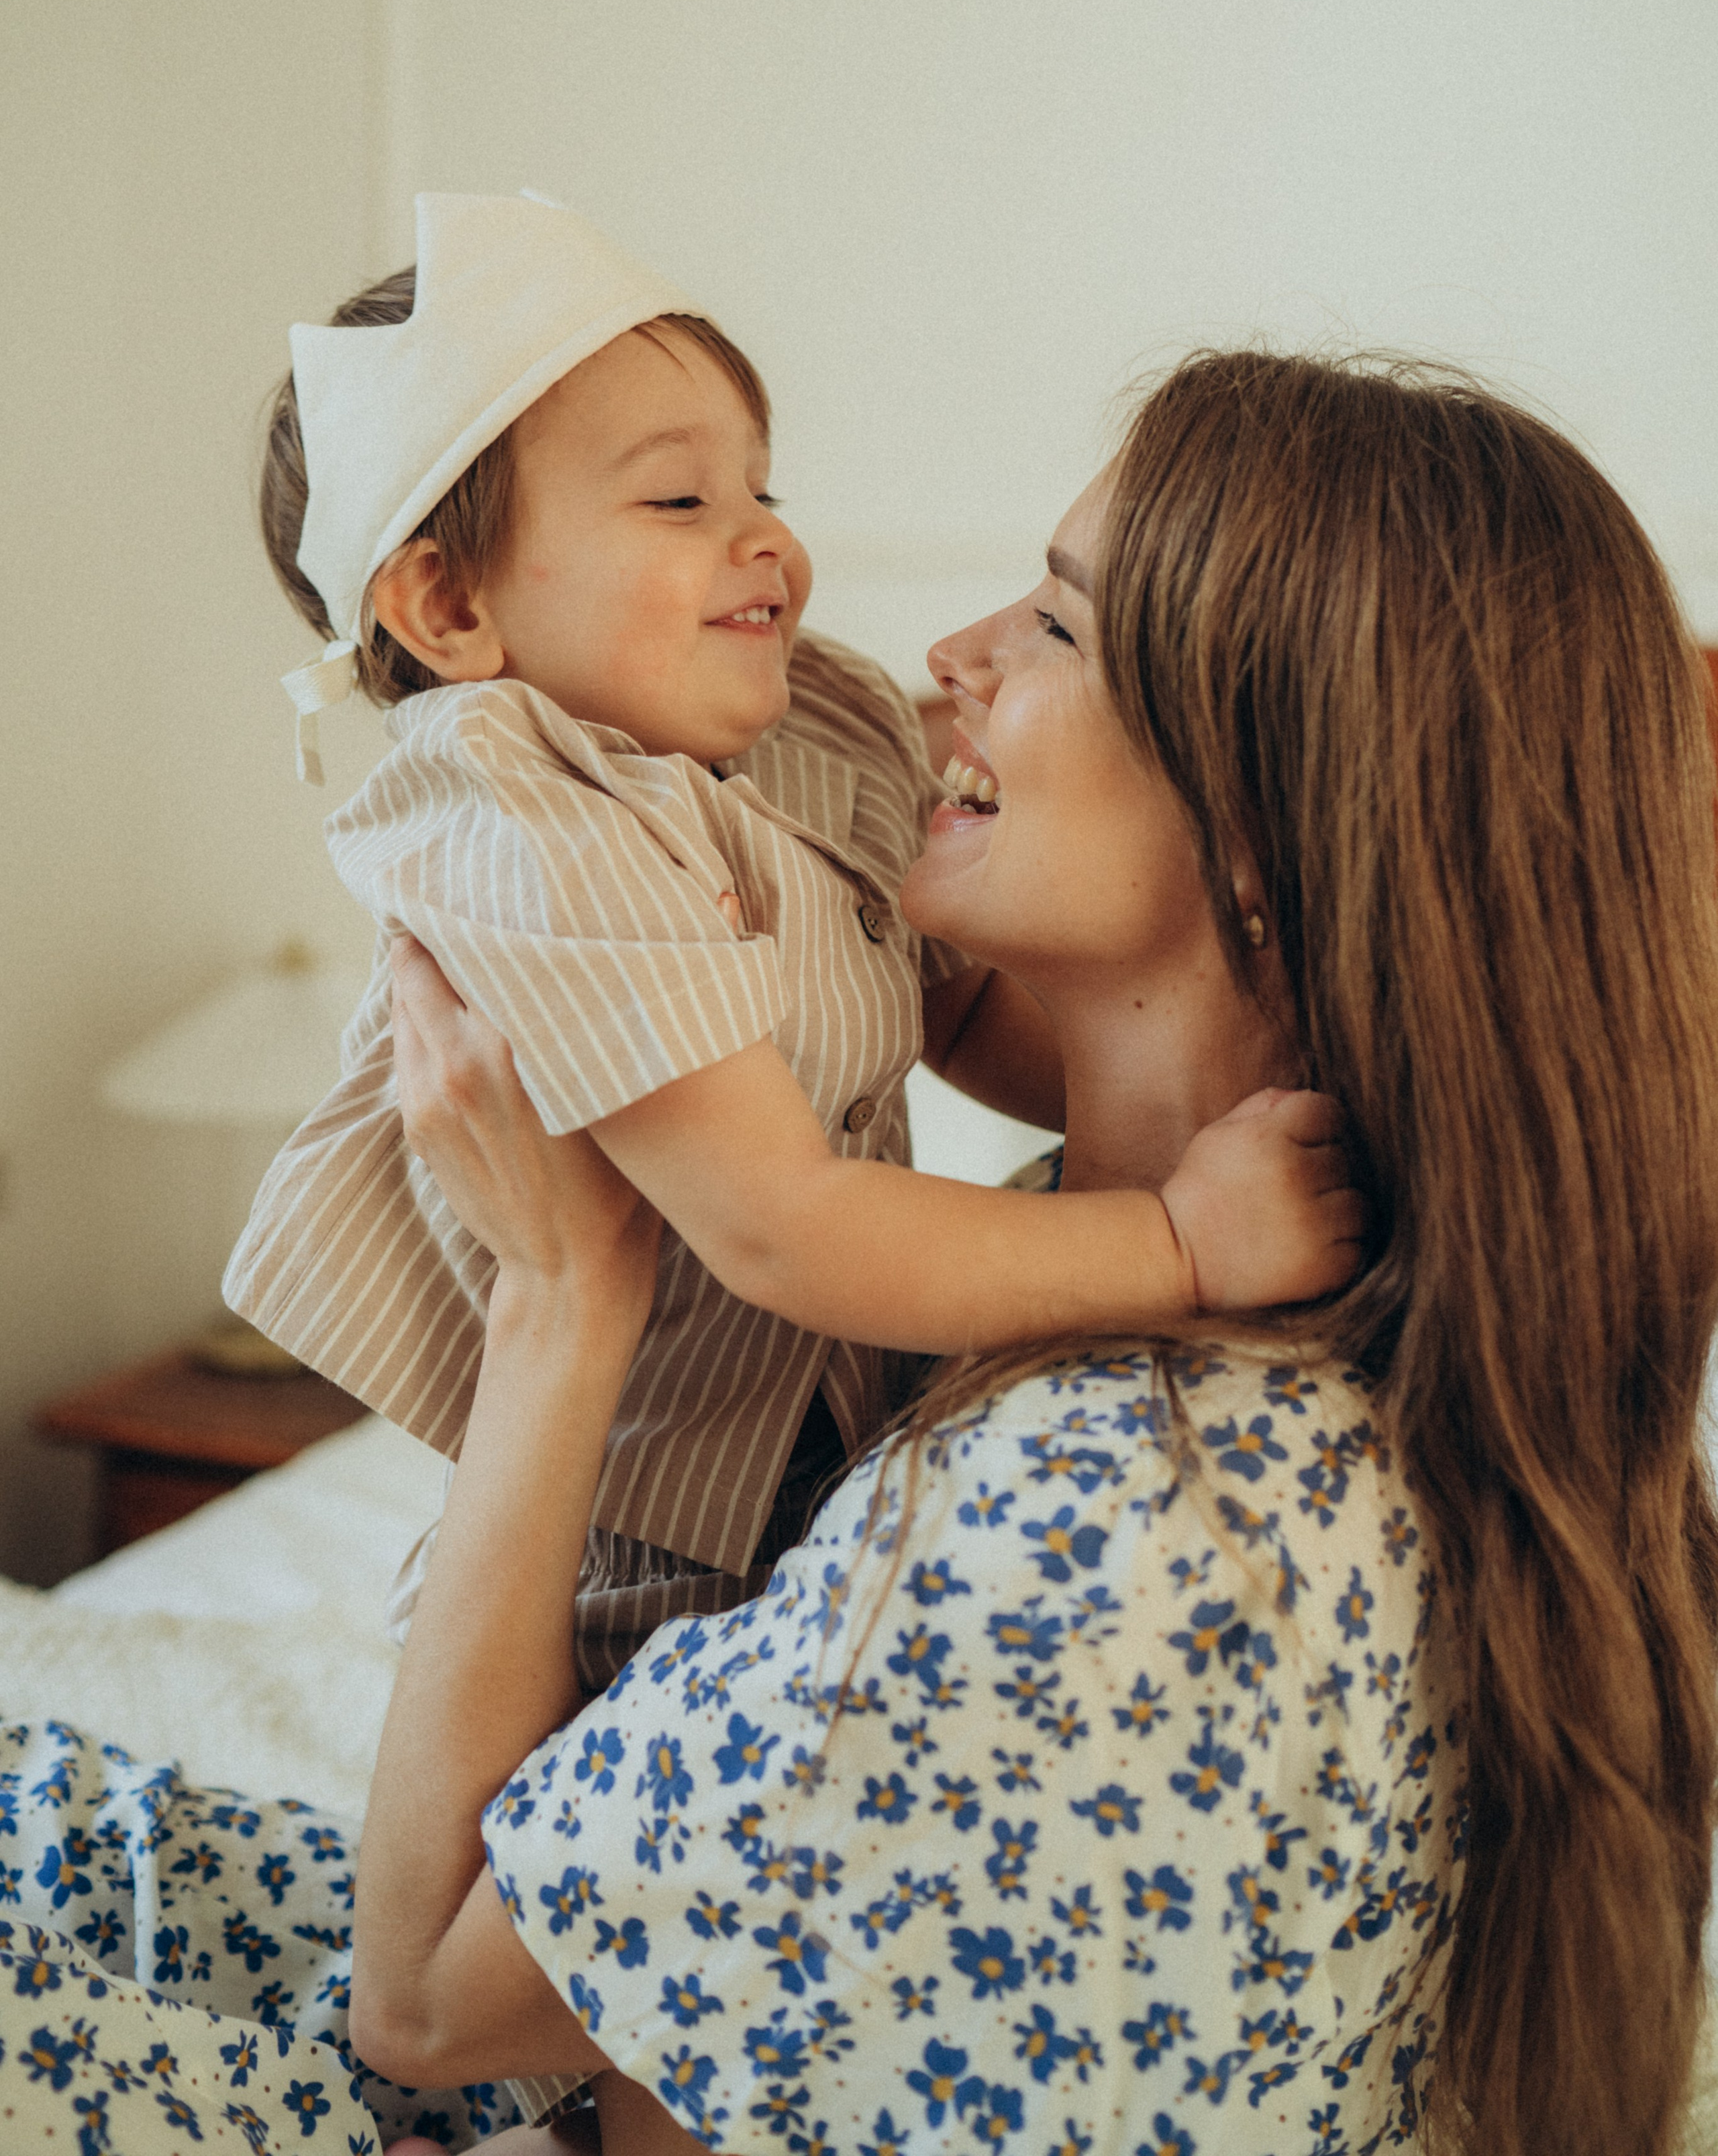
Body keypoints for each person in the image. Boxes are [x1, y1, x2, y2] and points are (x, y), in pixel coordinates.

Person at [5, 351, 1713, 2156]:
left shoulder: (1092, 1532)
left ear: (1263, 838)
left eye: (1055, 622)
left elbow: (420, 2003)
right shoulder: (1238, 1277)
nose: (951, 655)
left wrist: (562, 1295)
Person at [228, 191, 1357, 1693]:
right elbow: (780, 1226)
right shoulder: (511, 822)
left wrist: (1229, 1112)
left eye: (762, 486)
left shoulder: (806, 729)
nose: (767, 538)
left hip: (835, 1450)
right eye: (677, 502)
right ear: (445, 604)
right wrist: (1182, 1240)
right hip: (634, 1548)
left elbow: (958, 1014)